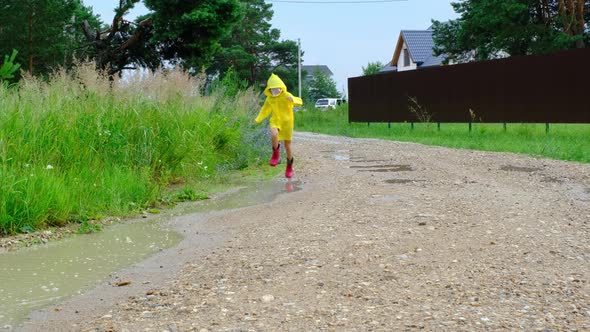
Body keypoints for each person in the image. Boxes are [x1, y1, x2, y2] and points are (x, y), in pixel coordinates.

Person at [253, 73, 303, 178]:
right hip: (275, 120)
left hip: (287, 122)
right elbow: (264, 111)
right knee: (273, 134)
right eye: (273, 89)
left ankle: (289, 166)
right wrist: (257, 120)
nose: (276, 91)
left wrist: (293, 100)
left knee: (288, 145)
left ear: (281, 87)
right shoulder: (269, 99)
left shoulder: (286, 95)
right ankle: (276, 153)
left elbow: (300, 101)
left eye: (278, 89)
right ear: (269, 89)